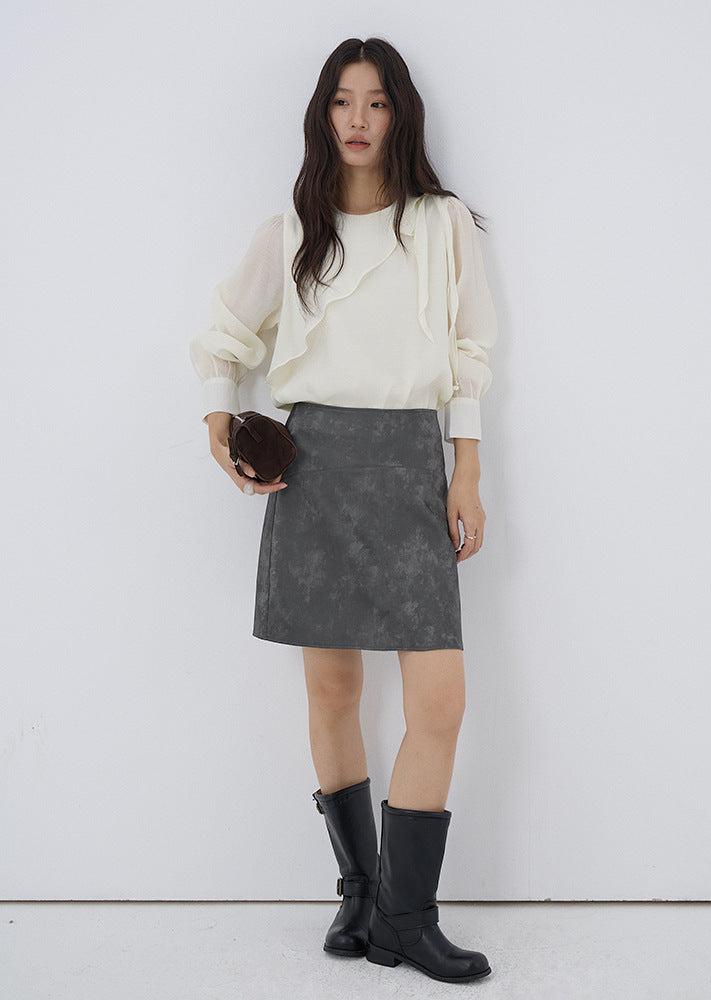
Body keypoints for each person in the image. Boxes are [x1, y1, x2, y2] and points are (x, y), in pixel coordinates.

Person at [189, 37, 498, 985]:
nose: (358, 120)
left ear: (400, 116)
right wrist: (218, 420)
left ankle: (406, 918)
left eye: (376, 102)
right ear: (322, 115)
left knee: (439, 699)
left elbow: (471, 351)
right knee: (332, 691)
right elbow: (224, 334)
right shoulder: (293, 228)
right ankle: (362, 895)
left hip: (408, 465)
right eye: (341, 101)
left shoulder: (441, 223)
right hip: (315, 467)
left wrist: (465, 472)